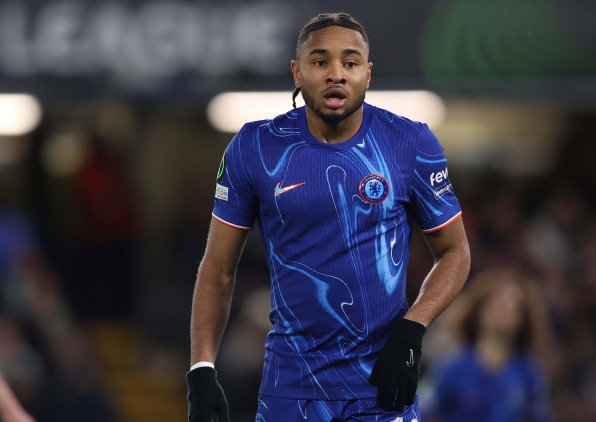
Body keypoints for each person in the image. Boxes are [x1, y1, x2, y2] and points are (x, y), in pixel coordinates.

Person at [186, 12, 471, 422]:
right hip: (290, 389)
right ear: (297, 72)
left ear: (367, 74)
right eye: (320, 61)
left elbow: (455, 252)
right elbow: (217, 268)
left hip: (381, 385)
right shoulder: (254, 147)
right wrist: (201, 369)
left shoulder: (411, 143)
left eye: (350, 62)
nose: (336, 73)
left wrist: (414, 327)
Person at [429, 270, 552, 422]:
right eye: (499, 303)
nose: (506, 311)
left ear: (523, 319)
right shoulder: (452, 368)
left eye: (515, 307)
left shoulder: (529, 373)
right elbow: (427, 413)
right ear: (479, 311)